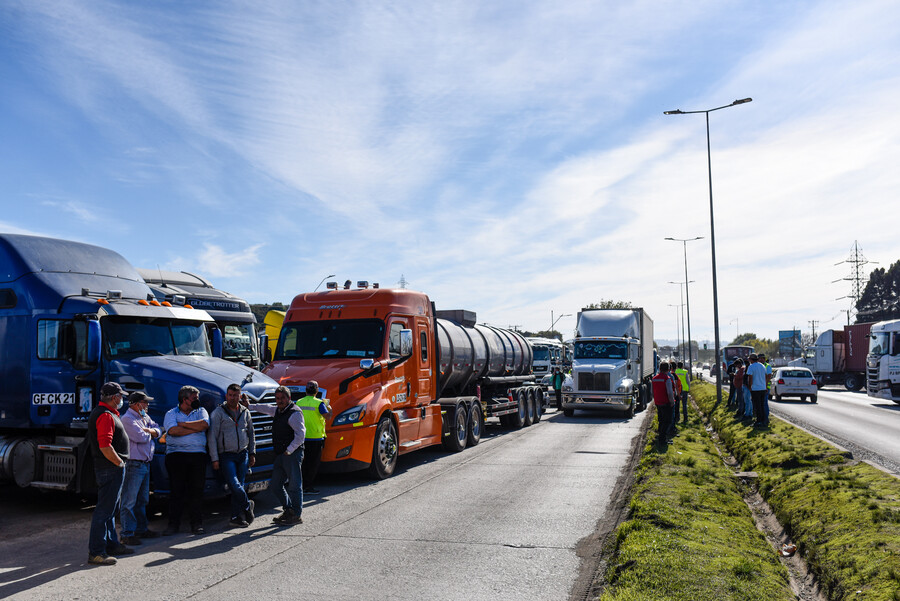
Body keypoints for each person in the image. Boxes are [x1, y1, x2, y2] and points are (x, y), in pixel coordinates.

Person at [87, 382, 134, 565]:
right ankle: (96, 552)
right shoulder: (105, 416)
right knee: (104, 511)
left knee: (110, 510)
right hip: (110, 468)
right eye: (120, 396)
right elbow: (105, 446)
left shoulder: (107, 413)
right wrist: (119, 463)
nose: (122, 399)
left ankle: (112, 545)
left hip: (110, 468)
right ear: (114, 398)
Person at [162, 385, 210, 535]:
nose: (197, 401)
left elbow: (204, 424)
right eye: (194, 398)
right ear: (185, 399)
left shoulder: (201, 411)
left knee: (196, 491)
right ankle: (173, 525)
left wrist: (182, 424)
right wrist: (194, 428)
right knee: (177, 491)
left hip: (197, 456)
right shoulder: (171, 413)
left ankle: (197, 524)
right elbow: (172, 431)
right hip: (176, 455)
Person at [254, 386, 305, 525]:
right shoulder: (277, 410)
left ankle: (296, 514)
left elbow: (301, 435)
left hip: (292, 454)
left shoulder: (294, 413)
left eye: (282, 398)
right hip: (281, 454)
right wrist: (249, 406)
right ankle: (289, 510)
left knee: (294, 485)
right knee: (276, 485)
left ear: (289, 398)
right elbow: (265, 408)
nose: (280, 401)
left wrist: (289, 450)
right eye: (277, 398)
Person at [208, 383, 256, 527]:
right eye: (230, 395)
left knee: (240, 485)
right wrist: (215, 458)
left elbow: (251, 433)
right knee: (234, 484)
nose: (233, 398)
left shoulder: (245, 411)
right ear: (226, 396)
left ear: (240, 396)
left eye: (236, 395)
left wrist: (252, 452)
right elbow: (212, 437)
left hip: (242, 453)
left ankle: (235, 517)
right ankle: (247, 506)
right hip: (226, 455)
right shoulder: (218, 413)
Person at [119, 391, 162, 545]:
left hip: (144, 464)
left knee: (142, 499)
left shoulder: (143, 417)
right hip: (134, 464)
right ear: (136, 404)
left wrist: (151, 431)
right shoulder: (127, 419)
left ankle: (141, 529)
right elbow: (140, 437)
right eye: (145, 402)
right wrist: (152, 433)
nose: (147, 405)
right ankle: (127, 533)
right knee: (129, 500)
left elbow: (158, 429)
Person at [296, 381, 331, 495]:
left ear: (306, 391)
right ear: (317, 391)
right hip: (316, 438)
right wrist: (329, 408)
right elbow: (328, 417)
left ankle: (300, 485)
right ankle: (308, 486)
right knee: (313, 463)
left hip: (302, 437)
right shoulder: (319, 403)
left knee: (303, 463)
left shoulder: (299, 402)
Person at [651, 362, 676, 451]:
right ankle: (663, 439)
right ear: (668, 369)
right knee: (668, 421)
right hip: (666, 403)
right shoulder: (667, 378)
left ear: (660, 368)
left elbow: (652, 392)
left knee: (661, 420)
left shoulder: (654, 379)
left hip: (658, 402)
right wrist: (672, 402)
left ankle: (660, 437)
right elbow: (669, 392)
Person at [746, 354, 768, 428]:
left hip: (755, 389)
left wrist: (750, 386)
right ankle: (764, 420)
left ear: (751, 359)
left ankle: (759, 421)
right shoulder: (762, 366)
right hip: (762, 388)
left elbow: (750, 378)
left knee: (757, 406)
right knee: (762, 405)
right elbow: (765, 376)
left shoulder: (751, 367)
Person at [759, 353, 772, 427]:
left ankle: (766, 419)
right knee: (761, 403)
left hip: (766, 388)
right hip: (761, 387)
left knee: (764, 403)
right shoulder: (760, 366)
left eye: (762, 358)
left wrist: (766, 386)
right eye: (759, 358)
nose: (761, 360)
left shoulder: (767, 366)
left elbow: (768, 376)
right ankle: (763, 418)